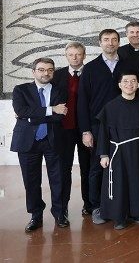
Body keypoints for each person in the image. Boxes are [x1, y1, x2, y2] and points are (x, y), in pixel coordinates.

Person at [12, 57, 69, 232]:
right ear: (34, 72)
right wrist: (50, 109)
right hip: (28, 142)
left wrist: (31, 116)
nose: (46, 73)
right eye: (42, 69)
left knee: (58, 179)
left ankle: (60, 214)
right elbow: (21, 111)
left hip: (53, 140)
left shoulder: (60, 90)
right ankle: (36, 215)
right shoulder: (21, 90)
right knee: (31, 181)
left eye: (50, 70)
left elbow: (60, 116)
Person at [77, 29, 127, 225]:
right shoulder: (90, 68)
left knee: (122, 165)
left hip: (123, 125)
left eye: (114, 40)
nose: (110, 43)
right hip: (98, 126)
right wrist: (86, 130)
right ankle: (95, 205)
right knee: (97, 167)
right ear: (100, 43)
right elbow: (82, 101)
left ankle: (122, 204)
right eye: (106, 40)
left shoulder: (127, 65)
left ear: (119, 43)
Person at [96, 72, 139, 230]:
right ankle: (119, 217)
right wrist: (103, 154)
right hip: (118, 151)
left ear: (138, 85)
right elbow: (103, 132)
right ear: (119, 85)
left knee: (138, 181)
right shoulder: (111, 106)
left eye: (133, 81)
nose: (130, 84)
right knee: (119, 183)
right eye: (126, 81)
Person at [52, 42, 93, 217]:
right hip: (63, 130)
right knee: (63, 170)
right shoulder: (56, 75)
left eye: (78, 54)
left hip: (86, 130)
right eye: (71, 54)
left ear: (84, 55)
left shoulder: (92, 73)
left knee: (88, 168)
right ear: (66, 56)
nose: (75, 57)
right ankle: (62, 209)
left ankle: (90, 205)